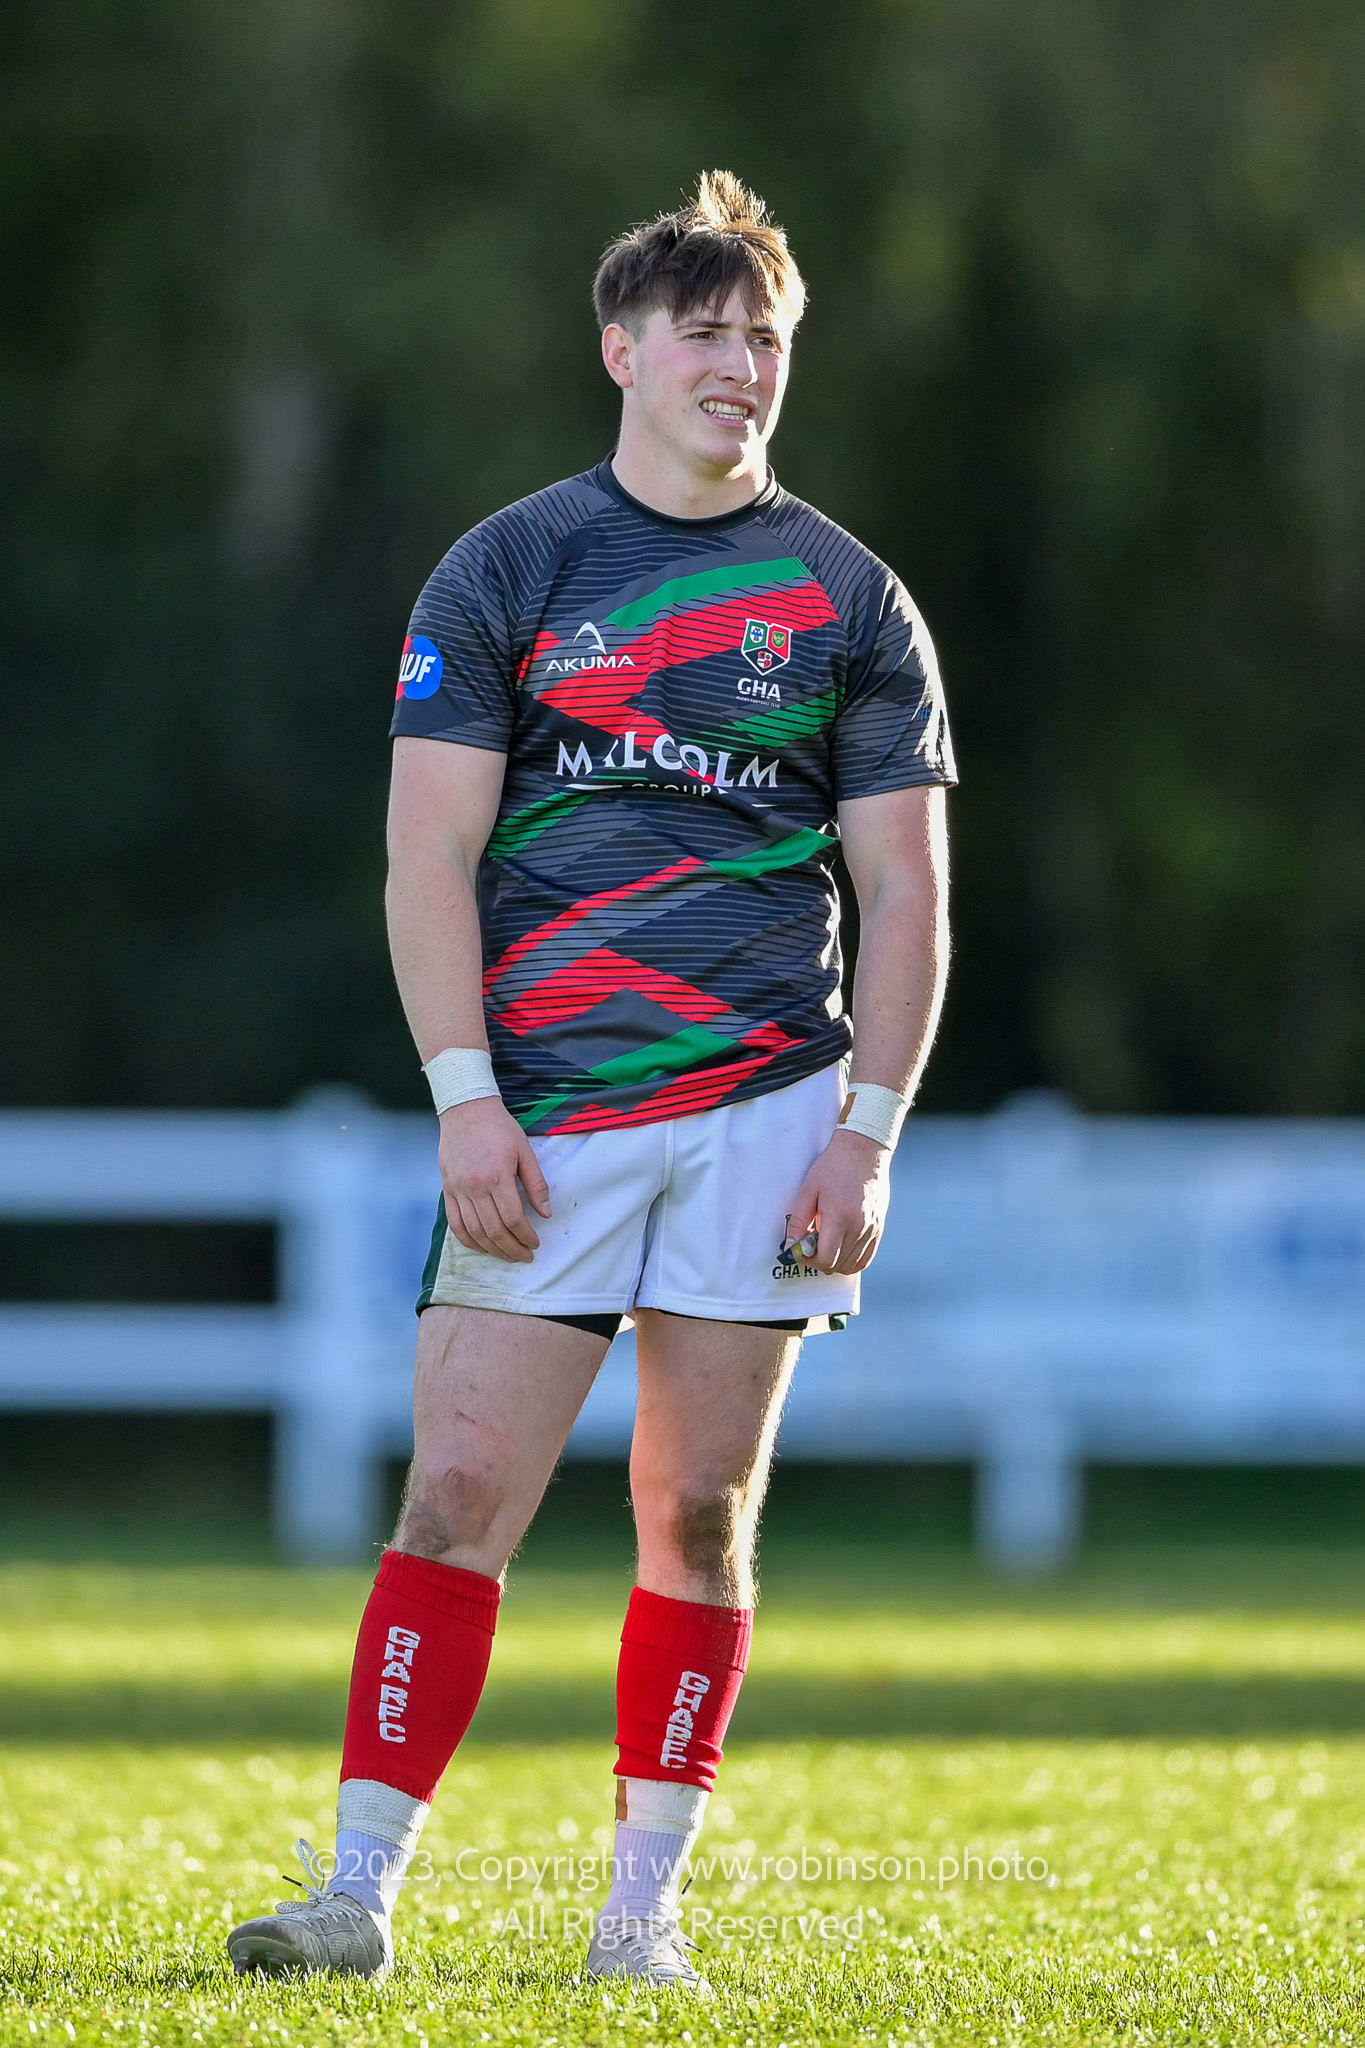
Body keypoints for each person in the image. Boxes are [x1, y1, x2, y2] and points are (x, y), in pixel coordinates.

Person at [227, 169, 954, 1990]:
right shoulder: (510, 567)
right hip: (544, 1113)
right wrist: (463, 1096)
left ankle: (641, 1924)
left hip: (767, 1109)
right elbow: (425, 853)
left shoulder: (848, 596)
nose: (739, 366)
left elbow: (902, 889)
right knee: (458, 1492)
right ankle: (355, 1896)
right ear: (621, 350)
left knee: (697, 1516)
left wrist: (865, 1134)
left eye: (764, 338)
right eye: (704, 332)